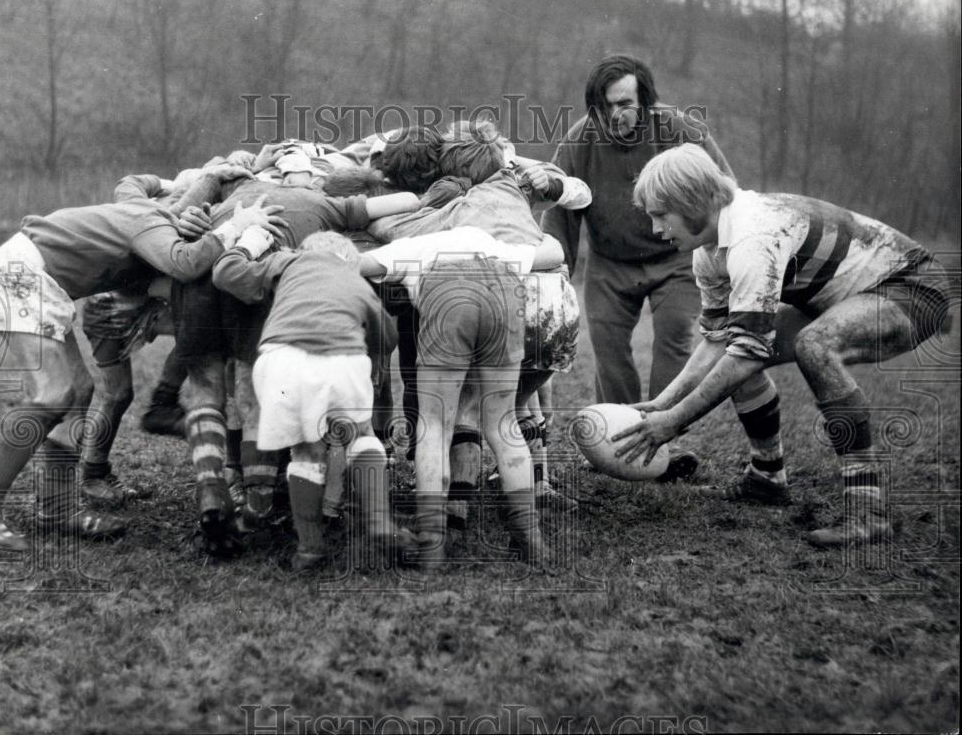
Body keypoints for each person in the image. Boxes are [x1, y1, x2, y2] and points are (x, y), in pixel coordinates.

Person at [612, 144, 954, 548]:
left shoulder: (752, 236)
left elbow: (745, 354)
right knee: (739, 346)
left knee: (814, 345)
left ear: (692, 200)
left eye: (660, 214)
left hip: (913, 287)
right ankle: (767, 479)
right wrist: (662, 406)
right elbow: (718, 342)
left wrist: (674, 421)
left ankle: (869, 510)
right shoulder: (709, 252)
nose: (655, 229)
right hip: (850, 296)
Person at [0, 161, 273, 551]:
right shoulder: (152, 223)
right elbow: (184, 262)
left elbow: (132, 181)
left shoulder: (137, 201)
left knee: (78, 390)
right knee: (52, 395)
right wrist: (237, 227)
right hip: (20, 275)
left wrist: (182, 181)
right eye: (197, 217)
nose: (196, 223)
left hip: (37, 278)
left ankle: (57, 507)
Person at [360, 226, 566, 569]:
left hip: (448, 295)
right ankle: (531, 538)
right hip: (503, 291)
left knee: (434, 426)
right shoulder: (491, 240)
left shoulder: (413, 243)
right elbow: (554, 251)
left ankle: (431, 542)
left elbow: (352, 261)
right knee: (503, 422)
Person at [212, 229, 415, 572]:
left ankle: (309, 548)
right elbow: (388, 336)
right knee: (361, 437)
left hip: (280, 360)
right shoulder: (358, 283)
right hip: (342, 360)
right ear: (350, 263)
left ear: (303, 250)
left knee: (305, 451)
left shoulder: (286, 261)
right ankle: (380, 523)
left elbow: (226, 273)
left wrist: (247, 241)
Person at [541, 54, 733, 408]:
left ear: (645, 102)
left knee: (674, 333)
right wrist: (555, 275)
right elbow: (560, 210)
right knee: (606, 344)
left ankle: (664, 434)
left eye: (625, 104)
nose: (615, 115)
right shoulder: (579, 139)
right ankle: (621, 432)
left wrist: (723, 255)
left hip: (677, 258)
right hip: (609, 262)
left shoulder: (680, 129)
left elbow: (724, 190)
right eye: (604, 106)